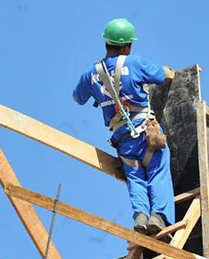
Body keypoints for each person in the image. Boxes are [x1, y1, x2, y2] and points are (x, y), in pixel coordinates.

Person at [73, 18, 175, 235]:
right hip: (146, 130)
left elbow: (77, 97)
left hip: (123, 139)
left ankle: (140, 215)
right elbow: (162, 75)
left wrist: (99, 93)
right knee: (158, 170)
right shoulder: (135, 63)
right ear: (128, 46)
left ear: (106, 43)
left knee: (135, 176)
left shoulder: (91, 74)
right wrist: (169, 71)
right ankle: (159, 216)